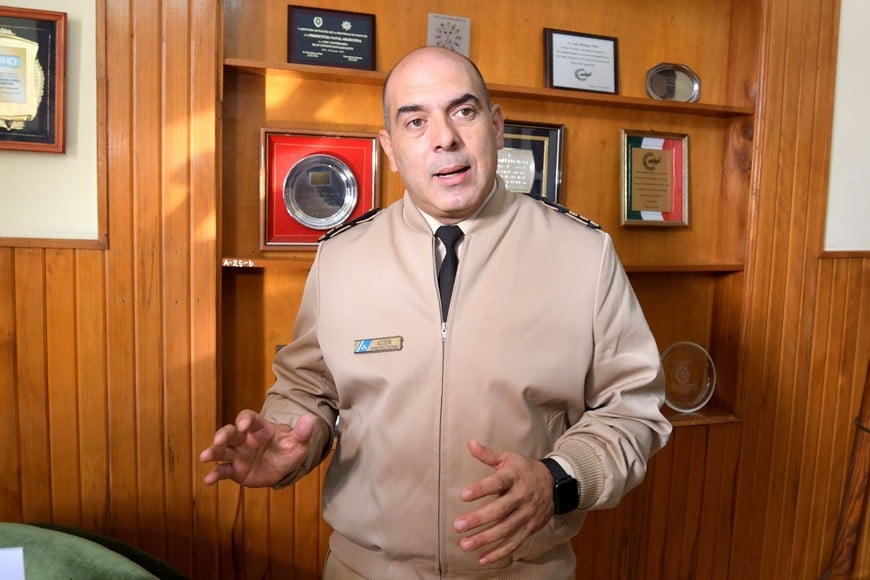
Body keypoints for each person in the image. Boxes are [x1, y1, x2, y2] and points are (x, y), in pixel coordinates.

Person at [200, 46, 671, 579]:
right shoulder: (341, 257)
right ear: (391, 149)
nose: (445, 137)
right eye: (416, 121)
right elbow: (309, 389)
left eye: (463, 111)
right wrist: (288, 436)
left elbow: (632, 409)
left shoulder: (583, 254)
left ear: (496, 126)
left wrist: (559, 479)